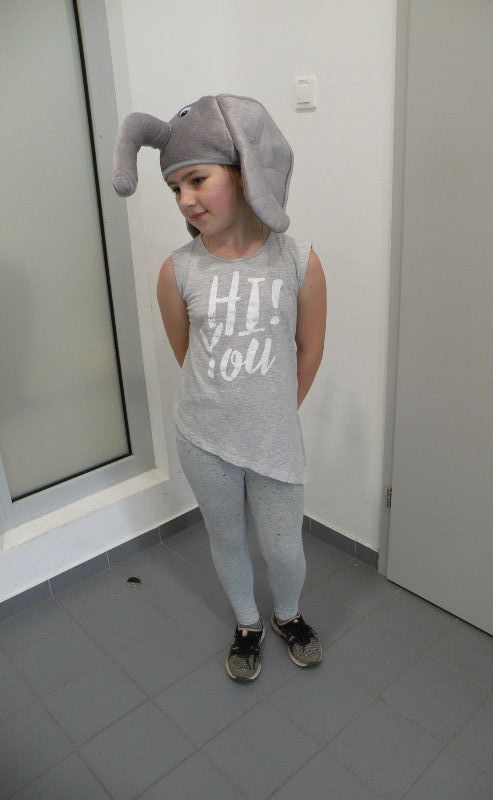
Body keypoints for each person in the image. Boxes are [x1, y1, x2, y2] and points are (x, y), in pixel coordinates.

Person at [113, 94, 327, 681]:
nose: (185, 198)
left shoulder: (298, 261)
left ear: (243, 171)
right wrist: (228, 406)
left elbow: (309, 348)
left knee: (283, 546)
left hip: (275, 440)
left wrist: (275, 410)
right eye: (174, 187)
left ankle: (288, 615)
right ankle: (247, 624)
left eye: (197, 179)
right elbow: (190, 356)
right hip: (204, 438)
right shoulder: (178, 270)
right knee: (226, 539)